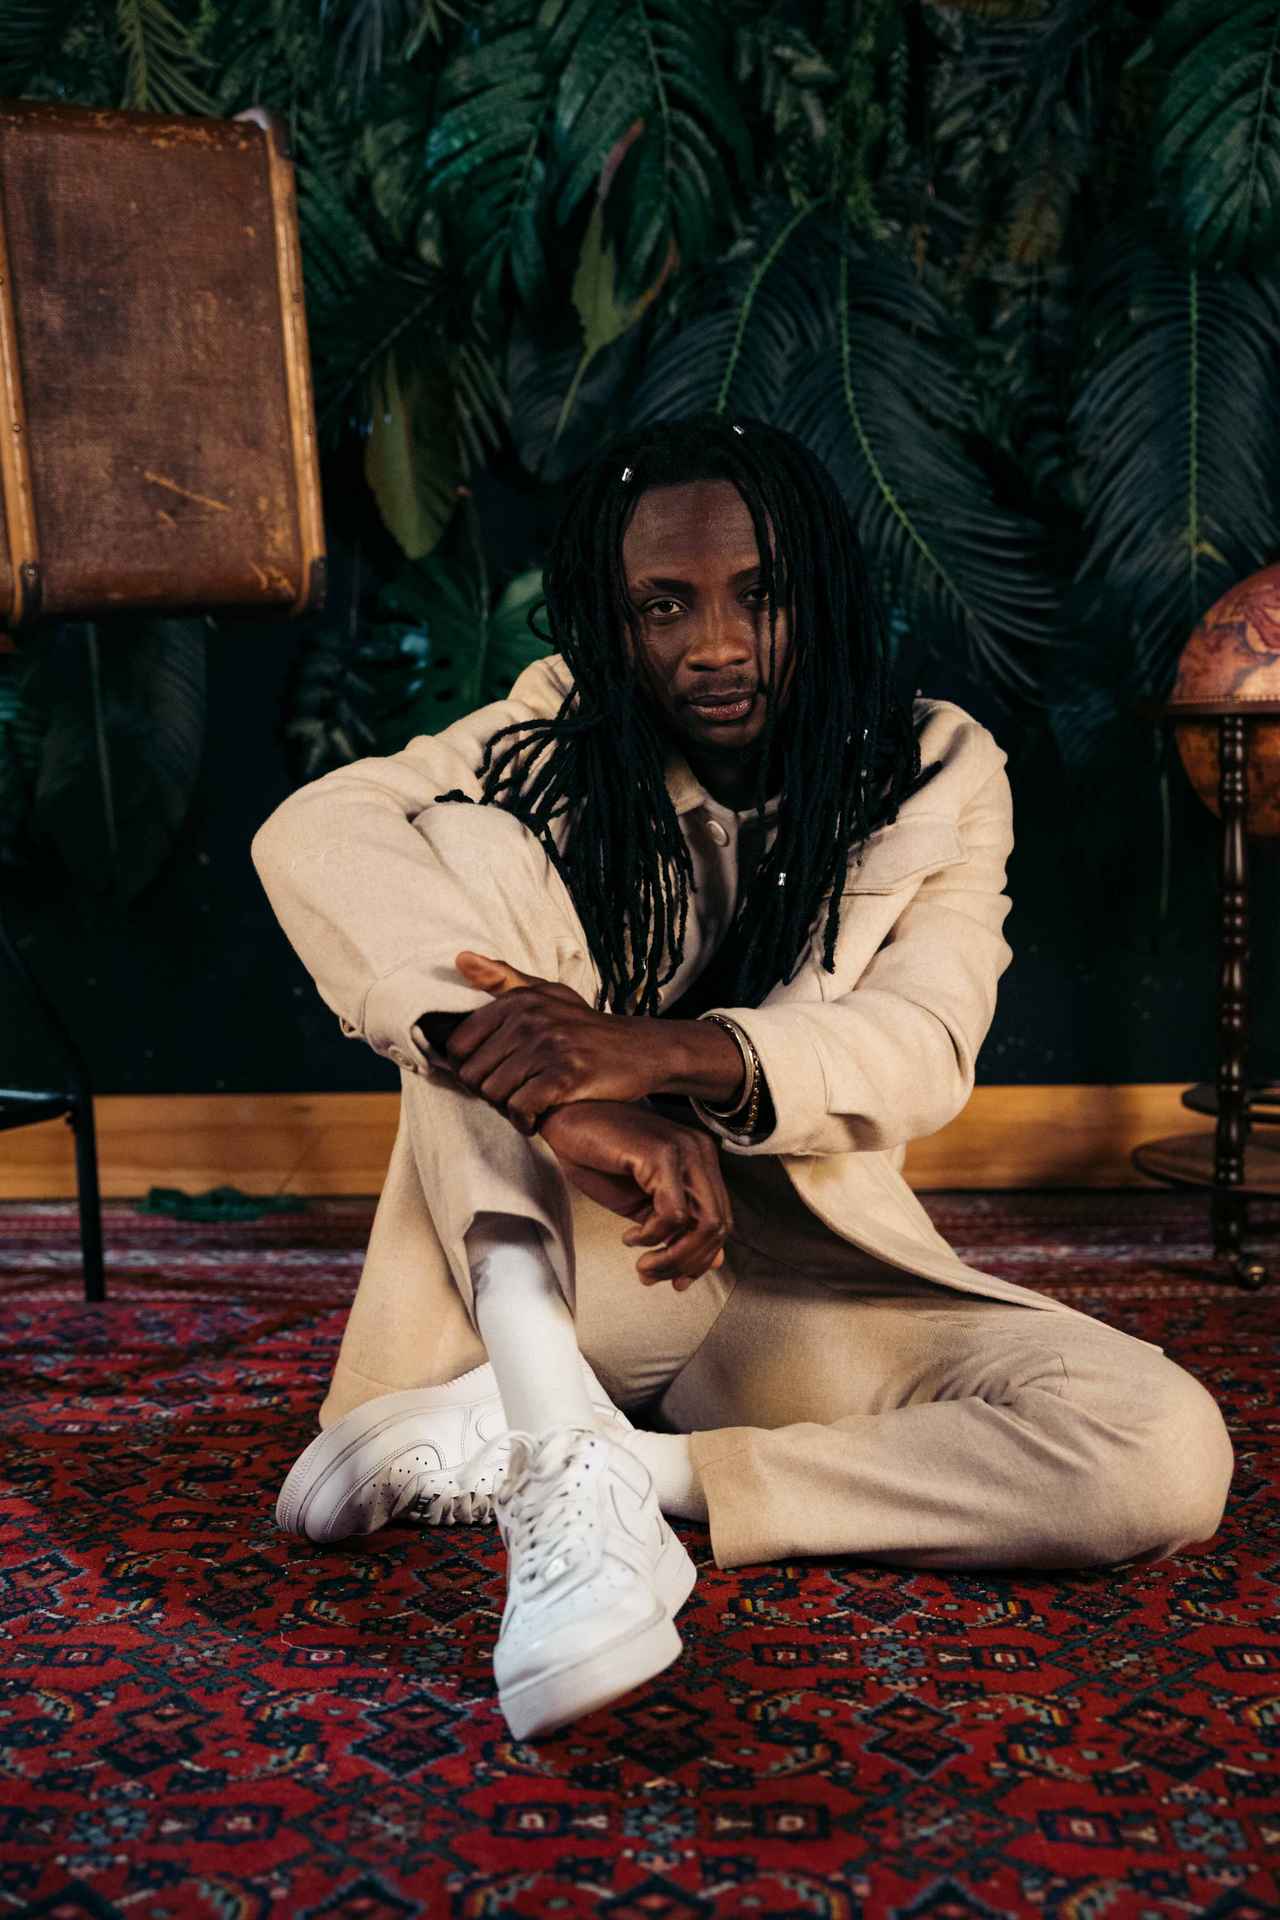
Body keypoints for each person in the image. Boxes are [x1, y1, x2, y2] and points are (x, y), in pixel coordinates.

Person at [252, 414, 1234, 1744]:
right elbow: (318, 829)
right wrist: (566, 1095)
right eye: (663, 605)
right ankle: (546, 1399)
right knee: (465, 883)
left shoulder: (933, 766)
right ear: (619, 615)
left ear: (818, 591)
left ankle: (616, 1471)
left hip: (799, 1294)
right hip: (584, 1263)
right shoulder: (558, 725)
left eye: (757, 595)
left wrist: (658, 1054)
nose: (711, 646)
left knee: (1165, 1449)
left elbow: (926, 1047)